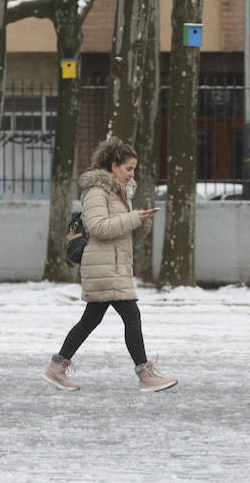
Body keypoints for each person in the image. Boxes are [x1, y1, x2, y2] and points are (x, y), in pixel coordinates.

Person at [44, 137, 178, 392]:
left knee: (90, 320)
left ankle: (57, 367)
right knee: (131, 315)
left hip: (114, 266)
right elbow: (98, 227)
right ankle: (144, 374)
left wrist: (142, 222)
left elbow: (125, 233)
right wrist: (131, 217)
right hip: (103, 266)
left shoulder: (120, 193)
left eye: (134, 169)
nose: (132, 174)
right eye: (128, 168)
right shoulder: (96, 191)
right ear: (113, 166)